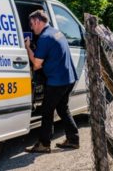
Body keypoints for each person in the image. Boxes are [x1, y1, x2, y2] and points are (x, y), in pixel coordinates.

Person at [24, 10, 79, 153]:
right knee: (62, 108)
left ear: (37, 21)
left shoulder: (45, 38)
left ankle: (44, 143)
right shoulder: (56, 32)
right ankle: (73, 140)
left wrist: (28, 47)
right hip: (69, 79)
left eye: (31, 24)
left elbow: (36, 64)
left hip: (57, 82)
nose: (31, 28)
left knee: (47, 111)